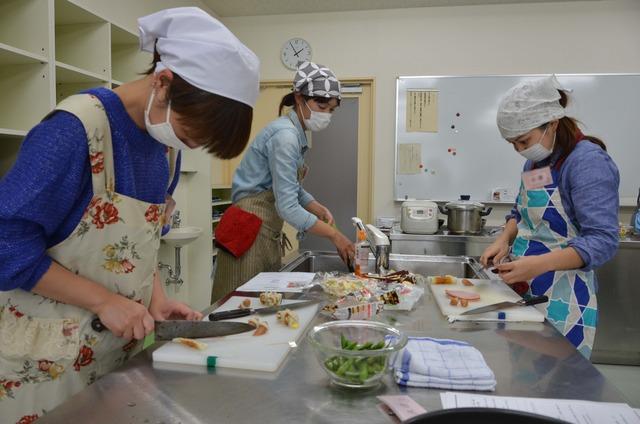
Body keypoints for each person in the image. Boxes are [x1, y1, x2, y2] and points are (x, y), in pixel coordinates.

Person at [0, 7, 259, 422]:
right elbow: (6, 245)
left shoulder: (164, 147)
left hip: (114, 356)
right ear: (163, 81)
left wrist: (155, 299)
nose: (186, 144)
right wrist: (105, 301)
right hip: (45, 363)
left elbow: (138, 240)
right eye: (190, 132)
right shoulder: (74, 132)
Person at [480, 75, 620, 359]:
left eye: (523, 141)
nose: (520, 150)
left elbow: (602, 240)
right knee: (527, 379)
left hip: (564, 297)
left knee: (558, 383)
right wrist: (505, 238)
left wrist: (539, 265)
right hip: (528, 289)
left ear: (552, 123)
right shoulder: (538, 162)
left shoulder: (587, 163)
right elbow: (522, 211)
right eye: (513, 144)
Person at [212, 62, 355, 303]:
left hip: (264, 230)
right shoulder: (285, 137)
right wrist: (335, 236)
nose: (326, 115)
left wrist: (315, 206)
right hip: (247, 229)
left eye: (331, 110)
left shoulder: (297, 134)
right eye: (321, 105)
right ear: (299, 98)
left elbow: (289, 187)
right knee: (239, 306)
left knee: (262, 304)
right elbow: (287, 206)